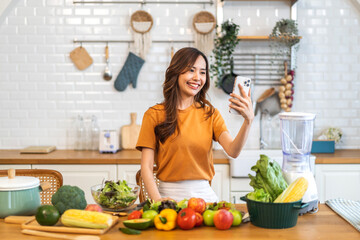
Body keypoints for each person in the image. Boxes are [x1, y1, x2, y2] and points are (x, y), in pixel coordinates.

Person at [136, 47, 254, 202]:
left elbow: (233, 151)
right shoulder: (154, 114)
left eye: (203, 72)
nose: (198, 77)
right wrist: (158, 201)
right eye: (191, 70)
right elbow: (146, 167)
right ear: (176, 72)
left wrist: (248, 121)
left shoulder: (210, 114)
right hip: (167, 198)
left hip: (204, 199)